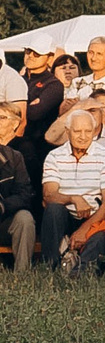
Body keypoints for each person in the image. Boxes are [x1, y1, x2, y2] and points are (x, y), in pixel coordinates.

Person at [39, 108, 105, 272]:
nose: (83, 136)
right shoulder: (54, 156)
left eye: (88, 131)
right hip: (65, 217)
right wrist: (74, 198)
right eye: (77, 131)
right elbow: (49, 195)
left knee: (99, 238)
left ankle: (80, 276)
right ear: (68, 131)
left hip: (94, 217)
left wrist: (84, 230)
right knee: (53, 210)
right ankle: (49, 268)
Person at [0, 108, 35, 271]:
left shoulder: (14, 157)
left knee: (24, 218)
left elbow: (25, 194)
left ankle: (22, 274)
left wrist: (3, 206)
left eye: (1, 117)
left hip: (3, 218)